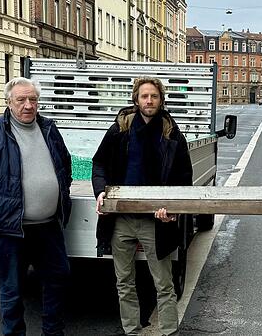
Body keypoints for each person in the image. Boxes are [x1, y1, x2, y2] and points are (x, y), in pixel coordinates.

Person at [0, 77, 72, 336]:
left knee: (57, 280)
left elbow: (64, 166)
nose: (28, 105)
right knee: (12, 289)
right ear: (9, 102)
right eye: (21, 100)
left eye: (33, 99)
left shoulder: (48, 128)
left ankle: (53, 333)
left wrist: (59, 194)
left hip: (48, 226)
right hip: (11, 229)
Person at [92, 77, 193, 336]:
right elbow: (99, 163)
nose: (149, 101)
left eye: (154, 96)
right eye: (144, 96)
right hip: (121, 219)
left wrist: (172, 208)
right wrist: (101, 192)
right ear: (136, 99)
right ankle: (132, 331)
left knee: (164, 284)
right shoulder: (120, 129)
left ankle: (169, 331)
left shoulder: (171, 133)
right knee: (124, 282)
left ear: (161, 100)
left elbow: (184, 177)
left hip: (155, 221)